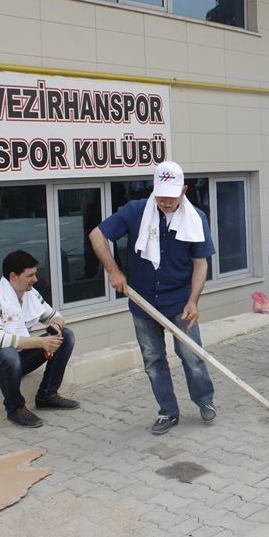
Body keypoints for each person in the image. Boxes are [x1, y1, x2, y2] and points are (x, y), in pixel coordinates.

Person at [89, 161, 217, 436]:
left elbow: (200, 264)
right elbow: (97, 235)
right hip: (143, 301)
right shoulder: (136, 211)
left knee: (191, 356)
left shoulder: (196, 219)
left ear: (183, 190)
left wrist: (193, 301)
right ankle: (168, 411)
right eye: (161, 195)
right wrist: (113, 271)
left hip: (180, 302)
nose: (166, 201)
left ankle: (205, 401)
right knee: (153, 360)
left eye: (172, 195)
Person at [0, 250, 79, 428]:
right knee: (8, 354)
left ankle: (47, 396)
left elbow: (57, 316)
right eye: (30, 275)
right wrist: (41, 343)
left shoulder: (30, 294)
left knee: (66, 336)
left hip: (16, 360)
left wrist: (56, 328)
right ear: (14, 276)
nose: (35, 279)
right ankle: (15, 409)